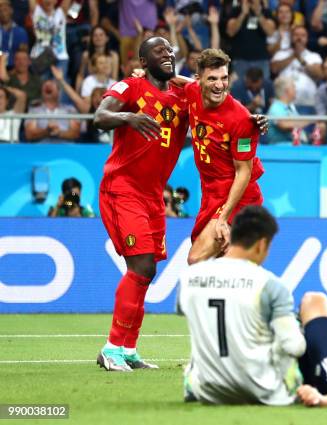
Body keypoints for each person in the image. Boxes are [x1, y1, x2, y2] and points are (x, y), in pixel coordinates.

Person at [92, 36, 190, 372]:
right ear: (143, 61)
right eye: (158, 51)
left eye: (169, 50)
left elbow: (211, 91)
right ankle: (111, 348)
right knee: (142, 267)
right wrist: (129, 119)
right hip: (123, 188)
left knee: (147, 272)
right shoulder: (131, 86)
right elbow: (100, 116)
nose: (167, 54)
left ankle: (128, 349)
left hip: (153, 197)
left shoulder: (182, 97)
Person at [180, 205, 305, 405]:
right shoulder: (271, 285)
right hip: (263, 392)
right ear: (261, 244)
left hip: (207, 391)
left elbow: (185, 311)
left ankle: (193, 378)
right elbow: (294, 346)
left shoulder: (190, 278)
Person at [178, 48, 267, 265]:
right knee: (222, 261)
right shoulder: (193, 92)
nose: (220, 85)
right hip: (210, 192)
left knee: (196, 258)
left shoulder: (242, 120)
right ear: (199, 80)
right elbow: (180, 81)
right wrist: (147, 74)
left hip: (238, 195)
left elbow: (243, 172)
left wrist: (224, 218)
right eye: (212, 79)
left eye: (224, 78)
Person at [0, 0, 29, 68]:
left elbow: (23, 53)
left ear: (11, 10)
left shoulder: (21, 32)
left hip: (14, 68)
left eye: (5, 10)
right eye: (0, 11)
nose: (3, 13)